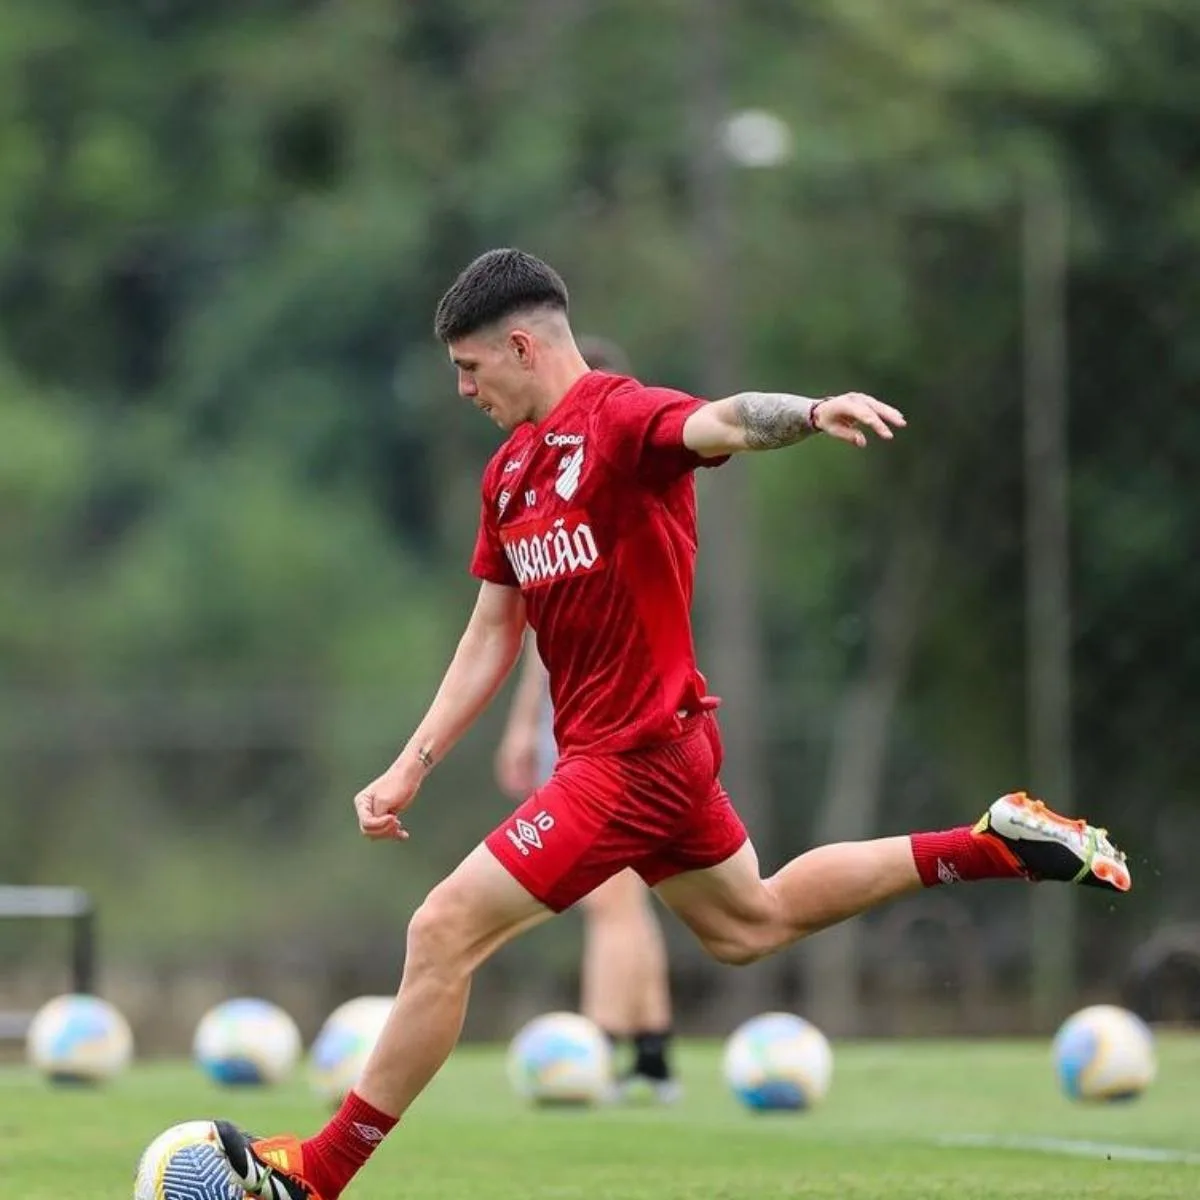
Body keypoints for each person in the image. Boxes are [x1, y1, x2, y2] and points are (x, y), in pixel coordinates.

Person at [213, 248, 1131, 1200]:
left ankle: (314, 1178)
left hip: (631, 760)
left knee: (442, 930)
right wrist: (410, 767)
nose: (460, 389)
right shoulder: (510, 476)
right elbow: (492, 629)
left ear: (521, 346)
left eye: (470, 369)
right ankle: (992, 844)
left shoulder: (619, 419)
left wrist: (812, 414)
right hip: (652, 753)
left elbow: (724, 418)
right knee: (750, 922)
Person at [494, 333, 680, 1103]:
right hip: (609, 719)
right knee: (629, 899)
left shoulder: (609, 475)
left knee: (609, 899)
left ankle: (598, 1048)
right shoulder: (555, 484)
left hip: (610, 728)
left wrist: (523, 726)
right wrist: (519, 725)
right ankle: (654, 1050)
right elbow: (550, 628)